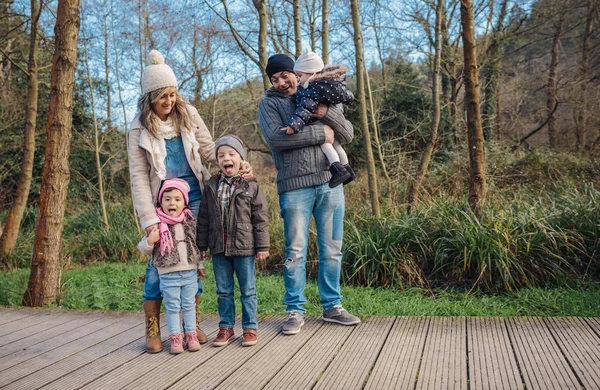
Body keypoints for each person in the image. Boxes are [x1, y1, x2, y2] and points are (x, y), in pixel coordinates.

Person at [258, 54, 361, 335]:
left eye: (285, 76)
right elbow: (277, 139)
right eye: (274, 79)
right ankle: (294, 310)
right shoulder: (269, 104)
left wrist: (324, 114)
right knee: (295, 251)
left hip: (331, 182)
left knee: (332, 249)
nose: (281, 82)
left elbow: (348, 133)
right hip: (294, 187)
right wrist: (322, 133)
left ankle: (332, 307)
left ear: (297, 73)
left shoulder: (321, 91)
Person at [129, 49, 216, 353]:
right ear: (149, 97)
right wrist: (149, 220)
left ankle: (191, 325)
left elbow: (208, 148)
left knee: (193, 258)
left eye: (173, 93)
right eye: (162, 96)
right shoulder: (139, 127)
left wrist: (234, 160)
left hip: (194, 198)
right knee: (158, 264)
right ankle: (153, 326)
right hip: (161, 203)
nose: (169, 101)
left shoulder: (188, 114)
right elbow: (139, 176)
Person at [196, 135, 269, 347]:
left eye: (231, 154)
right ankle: (226, 326)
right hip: (219, 248)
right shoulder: (211, 186)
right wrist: (202, 245)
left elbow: (260, 217)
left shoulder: (250, 185)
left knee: (248, 290)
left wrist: (262, 245)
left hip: (244, 248)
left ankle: (249, 328)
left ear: (240, 158)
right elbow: (204, 218)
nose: (226, 158)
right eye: (221, 155)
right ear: (217, 161)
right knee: (223, 291)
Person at [138, 178, 204, 354]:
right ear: (160, 201)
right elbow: (144, 248)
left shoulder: (189, 221)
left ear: (184, 203)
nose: (172, 203)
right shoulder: (158, 224)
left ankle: (191, 335)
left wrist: (201, 265)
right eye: (167, 199)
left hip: (189, 271)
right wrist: (150, 241)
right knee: (173, 306)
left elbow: (196, 247)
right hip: (167, 274)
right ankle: (176, 338)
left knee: (189, 304)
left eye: (177, 199)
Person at [280, 51, 356, 188]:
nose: (298, 80)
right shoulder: (330, 83)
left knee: (326, 144)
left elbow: (305, 109)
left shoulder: (312, 88)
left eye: (300, 76)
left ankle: (337, 169)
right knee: (337, 145)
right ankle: (348, 169)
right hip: (333, 123)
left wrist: (294, 125)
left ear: (311, 73)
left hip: (321, 123)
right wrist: (350, 97)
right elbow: (346, 95)